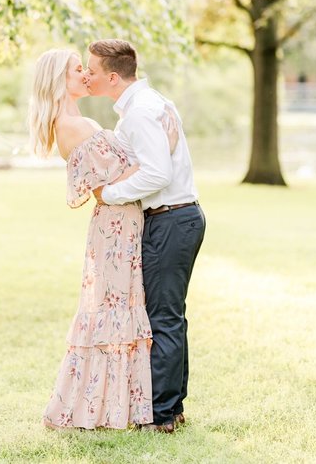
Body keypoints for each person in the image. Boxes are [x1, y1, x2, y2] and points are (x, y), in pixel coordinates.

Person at [28, 48, 175, 430]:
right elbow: (122, 173)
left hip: (122, 222)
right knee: (113, 312)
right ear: (61, 79)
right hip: (114, 226)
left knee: (119, 309)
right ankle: (96, 408)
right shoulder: (74, 125)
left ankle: (117, 405)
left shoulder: (81, 121)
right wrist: (165, 141)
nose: (85, 75)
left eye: (85, 69)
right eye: (78, 70)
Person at [87, 39, 206, 433]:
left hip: (171, 219)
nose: (87, 74)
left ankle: (161, 414)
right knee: (170, 316)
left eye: (92, 69)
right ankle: (173, 407)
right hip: (175, 219)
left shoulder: (141, 111)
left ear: (113, 77)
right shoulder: (148, 104)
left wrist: (108, 195)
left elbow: (157, 174)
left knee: (163, 319)